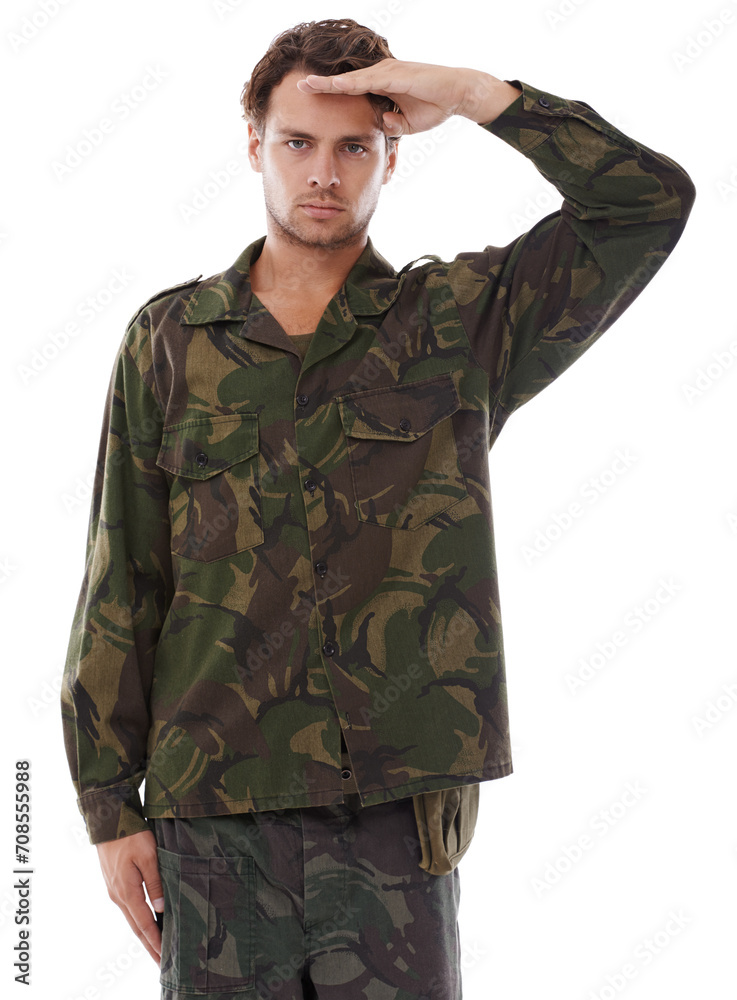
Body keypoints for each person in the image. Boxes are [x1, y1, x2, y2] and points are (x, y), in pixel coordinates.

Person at [60, 17, 695, 1000]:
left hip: (393, 820)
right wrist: (109, 809)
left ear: (392, 155)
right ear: (253, 147)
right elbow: (122, 579)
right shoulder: (171, 340)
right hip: (214, 816)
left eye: (354, 146)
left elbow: (644, 204)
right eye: (297, 142)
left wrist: (474, 94)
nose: (323, 173)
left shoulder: (453, 323)